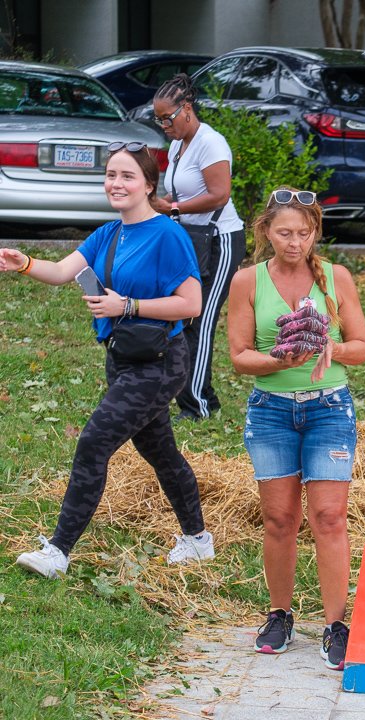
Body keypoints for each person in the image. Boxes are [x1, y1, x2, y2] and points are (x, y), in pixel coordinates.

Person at [3, 142, 213, 578]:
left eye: (127, 176)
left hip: (160, 361)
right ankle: (197, 540)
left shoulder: (167, 234)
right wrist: (24, 263)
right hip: (123, 358)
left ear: (148, 185)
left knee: (93, 443)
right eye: (111, 175)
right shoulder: (109, 233)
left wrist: (129, 306)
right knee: (161, 451)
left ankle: (58, 551)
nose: (116, 184)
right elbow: (63, 272)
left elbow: (191, 303)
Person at [227, 187, 365, 671]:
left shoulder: (335, 278)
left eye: (305, 233)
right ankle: (280, 614)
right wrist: (278, 357)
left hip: (329, 407)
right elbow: (239, 356)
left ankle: (336, 624)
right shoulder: (247, 281)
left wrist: (328, 349)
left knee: (329, 517)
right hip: (271, 410)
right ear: (265, 231)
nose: (295, 242)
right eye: (285, 232)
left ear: (315, 233)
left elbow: (362, 346)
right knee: (279, 519)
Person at [150, 73, 246, 421]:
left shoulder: (211, 143)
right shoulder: (178, 145)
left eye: (167, 117)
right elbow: (186, 193)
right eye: (157, 119)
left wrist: (172, 208)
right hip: (193, 242)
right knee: (186, 316)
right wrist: (162, 203)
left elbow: (220, 194)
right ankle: (199, 396)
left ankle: (197, 406)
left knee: (201, 321)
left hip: (221, 240)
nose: (163, 125)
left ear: (186, 108)